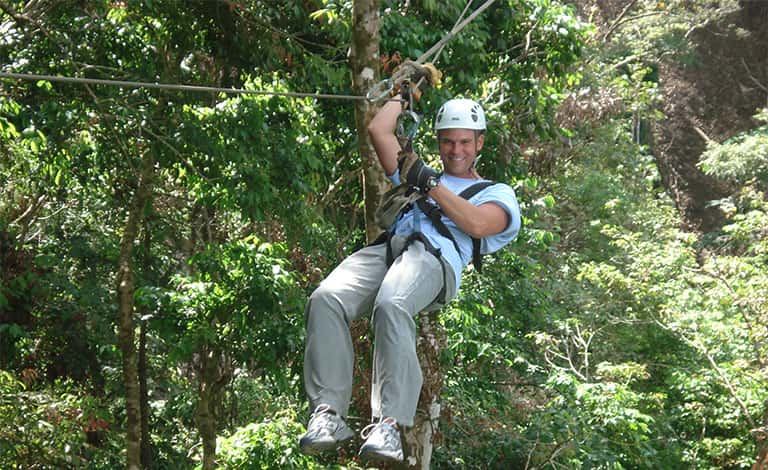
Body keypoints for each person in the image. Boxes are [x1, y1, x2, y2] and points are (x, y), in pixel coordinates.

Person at [299, 96, 521, 462]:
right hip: (391, 251)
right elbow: (379, 130)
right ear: (438, 141)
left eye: (465, 141)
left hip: (434, 260)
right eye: (448, 141)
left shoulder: (496, 193)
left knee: (393, 303)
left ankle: (389, 423)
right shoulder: (415, 173)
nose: (456, 149)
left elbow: (479, 224)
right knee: (326, 299)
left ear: (480, 142)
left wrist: (430, 183)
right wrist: (404, 95)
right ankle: (327, 414)